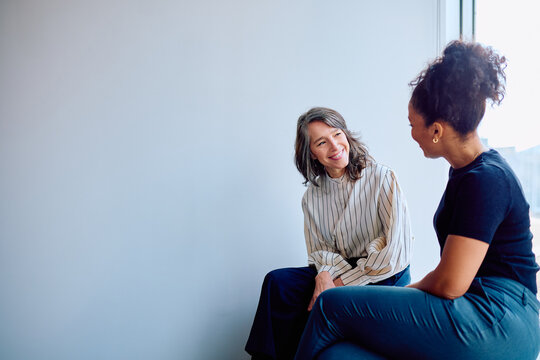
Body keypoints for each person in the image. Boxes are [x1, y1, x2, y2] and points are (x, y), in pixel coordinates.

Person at [294, 41, 540, 360]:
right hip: (474, 309)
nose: (411, 133)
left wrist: (402, 296)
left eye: (413, 124)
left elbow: (451, 282)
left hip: (501, 321)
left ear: (435, 130)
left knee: (329, 305)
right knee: (338, 354)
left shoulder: (486, 179)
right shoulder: (467, 174)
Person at [245, 107, 414, 360]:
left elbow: (393, 255)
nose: (335, 146)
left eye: (337, 134)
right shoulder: (312, 197)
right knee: (277, 284)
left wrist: (335, 285)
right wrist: (323, 275)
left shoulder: (382, 178)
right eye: (322, 142)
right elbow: (319, 251)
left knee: (324, 303)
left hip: (384, 274)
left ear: (346, 135)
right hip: (340, 268)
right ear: (311, 153)